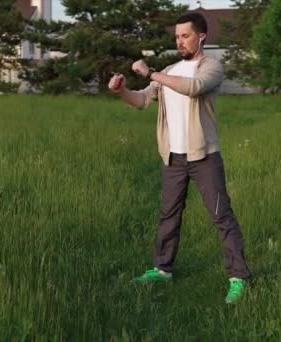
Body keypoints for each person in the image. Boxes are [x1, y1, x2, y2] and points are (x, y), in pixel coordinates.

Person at [108, 12, 251, 304]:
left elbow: (193, 88)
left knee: (221, 216)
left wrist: (150, 73)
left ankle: (239, 277)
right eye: (177, 37)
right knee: (168, 216)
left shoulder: (211, 67)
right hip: (173, 157)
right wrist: (122, 91)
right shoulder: (171, 69)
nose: (180, 41)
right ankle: (163, 269)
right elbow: (143, 100)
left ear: (201, 37)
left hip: (204, 157)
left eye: (185, 36)